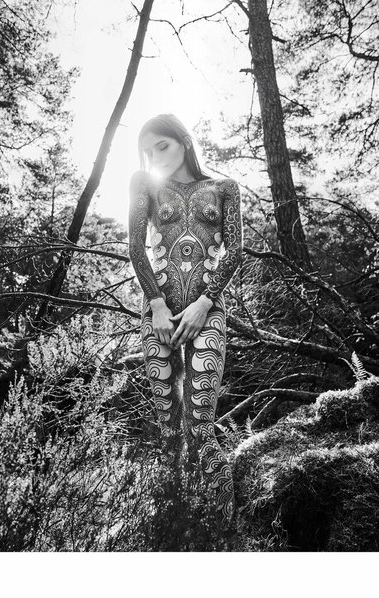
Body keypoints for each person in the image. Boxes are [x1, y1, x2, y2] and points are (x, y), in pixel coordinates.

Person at [128, 113, 243, 527]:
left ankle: (223, 530)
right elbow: (136, 248)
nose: (155, 156)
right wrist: (157, 305)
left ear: (185, 142)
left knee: (200, 425)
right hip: (157, 314)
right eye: (148, 151)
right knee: (168, 426)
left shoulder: (225, 188)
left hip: (206, 314)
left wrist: (205, 303)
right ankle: (172, 525)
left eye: (163, 146)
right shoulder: (145, 185)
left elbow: (235, 251)